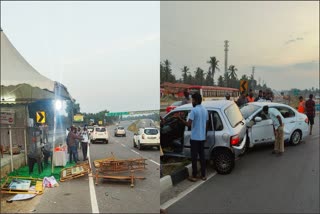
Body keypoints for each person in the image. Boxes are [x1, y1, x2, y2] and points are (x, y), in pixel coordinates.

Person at [177, 93, 208, 181]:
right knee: (202, 157)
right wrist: (204, 136)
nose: (192, 102)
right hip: (202, 138)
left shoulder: (193, 111)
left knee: (194, 158)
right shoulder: (205, 110)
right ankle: (203, 175)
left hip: (194, 138)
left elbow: (188, 124)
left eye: (193, 100)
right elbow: (206, 124)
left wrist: (180, 119)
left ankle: (194, 176)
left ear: (196, 100)